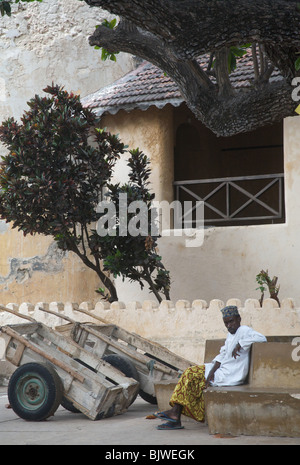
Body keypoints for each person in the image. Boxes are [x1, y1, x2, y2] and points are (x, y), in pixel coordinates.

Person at [154, 305, 267, 430]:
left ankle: (175, 414)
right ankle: (175, 416)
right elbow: (222, 355)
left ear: (239, 319)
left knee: (190, 374)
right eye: (226, 323)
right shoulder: (230, 335)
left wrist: (240, 344)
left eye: (231, 321)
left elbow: (262, 338)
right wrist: (211, 373)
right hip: (221, 371)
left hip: (231, 374)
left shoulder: (244, 330)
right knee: (189, 376)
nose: (229, 325)